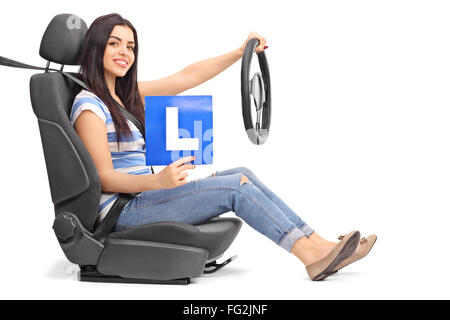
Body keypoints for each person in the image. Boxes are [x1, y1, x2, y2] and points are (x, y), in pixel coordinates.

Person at [70, 13, 376, 281]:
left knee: (242, 173)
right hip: (125, 210)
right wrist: (157, 180)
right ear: (97, 47)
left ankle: (321, 245)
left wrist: (240, 52)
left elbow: (185, 78)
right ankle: (310, 256)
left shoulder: (124, 96)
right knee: (236, 189)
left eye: (130, 46)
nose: (124, 52)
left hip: (144, 196)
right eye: (114, 43)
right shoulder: (89, 106)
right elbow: (104, 177)